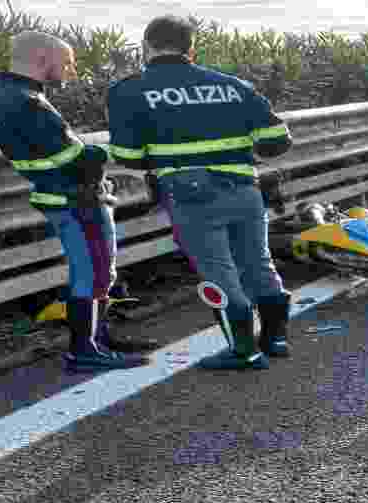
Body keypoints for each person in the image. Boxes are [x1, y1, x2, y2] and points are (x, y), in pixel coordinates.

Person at [106, 15, 295, 371]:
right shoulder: (233, 85)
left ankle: (243, 351)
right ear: (191, 48)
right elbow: (277, 140)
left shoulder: (129, 91)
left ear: (146, 47)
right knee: (258, 261)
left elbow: (128, 157)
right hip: (244, 188)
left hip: (190, 195)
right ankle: (276, 339)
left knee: (218, 270)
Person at [0, 30, 158, 374]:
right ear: (43, 60)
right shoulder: (28, 102)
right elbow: (78, 158)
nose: (71, 70)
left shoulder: (1, 96)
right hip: (76, 199)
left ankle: (99, 339)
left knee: (95, 272)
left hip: (59, 197)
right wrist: (105, 151)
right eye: (67, 63)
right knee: (93, 273)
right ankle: (85, 350)